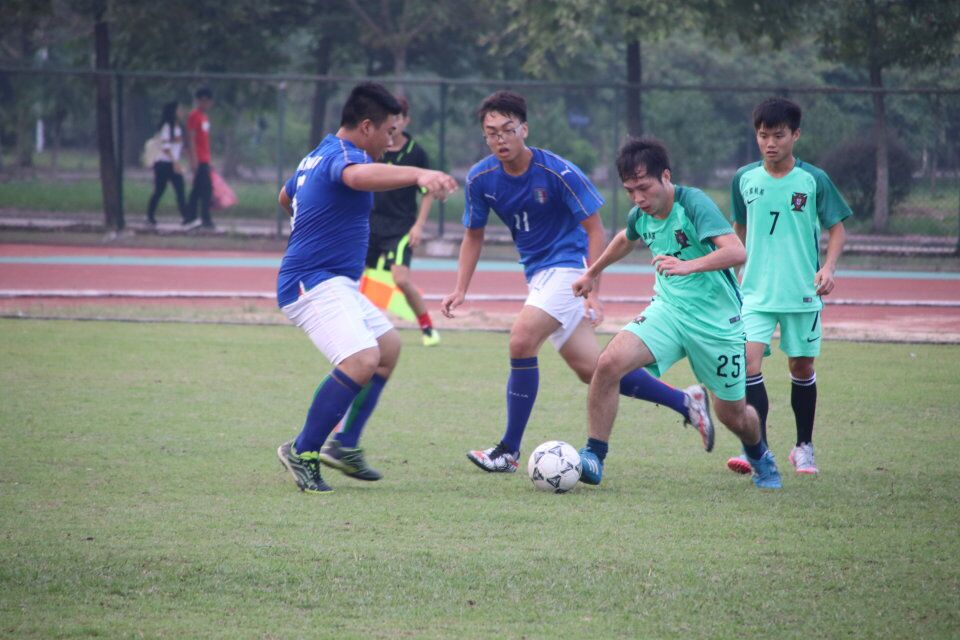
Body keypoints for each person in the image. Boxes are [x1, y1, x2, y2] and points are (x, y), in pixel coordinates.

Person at [441, 91, 713, 474]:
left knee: (521, 340)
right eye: (491, 132)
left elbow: (595, 229)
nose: (500, 138)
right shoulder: (480, 178)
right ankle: (685, 402)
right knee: (594, 370)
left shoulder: (558, 172)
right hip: (538, 275)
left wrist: (593, 292)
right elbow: (473, 235)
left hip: (570, 269)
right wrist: (460, 288)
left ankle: (507, 451)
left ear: (524, 129)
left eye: (507, 129)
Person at [275, 82, 457, 493]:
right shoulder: (345, 156)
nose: (392, 142)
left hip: (333, 282)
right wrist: (419, 174)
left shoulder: (318, 154)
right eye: (389, 132)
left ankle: (344, 444)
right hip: (312, 281)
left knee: (387, 349)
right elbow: (356, 178)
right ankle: (303, 450)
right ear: (367, 127)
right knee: (361, 359)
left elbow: (285, 196)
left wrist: (311, 220)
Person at [572, 137, 782, 490]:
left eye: (644, 187)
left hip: (717, 324)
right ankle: (594, 455)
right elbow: (626, 237)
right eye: (630, 190)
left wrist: (689, 266)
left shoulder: (693, 203)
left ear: (666, 176)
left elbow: (736, 252)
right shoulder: (642, 214)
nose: (638, 198)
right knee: (608, 364)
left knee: (732, 416)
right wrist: (592, 272)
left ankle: (759, 454)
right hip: (668, 312)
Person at [725, 97, 851, 477]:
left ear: (795, 135)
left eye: (778, 135)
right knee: (748, 362)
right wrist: (728, 271)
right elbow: (738, 230)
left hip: (801, 292)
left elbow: (837, 228)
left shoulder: (813, 179)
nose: (770, 143)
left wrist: (828, 267)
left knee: (801, 365)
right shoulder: (744, 179)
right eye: (763, 135)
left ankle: (803, 447)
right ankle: (758, 451)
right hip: (755, 293)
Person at [367, 96, 440, 346]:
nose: (394, 123)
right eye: (390, 117)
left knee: (400, 279)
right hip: (369, 225)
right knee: (352, 277)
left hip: (400, 228)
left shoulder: (416, 153)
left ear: (406, 120)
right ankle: (359, 326)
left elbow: (428, 192)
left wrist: (418, 226)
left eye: (398, 117)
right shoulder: (372, 149)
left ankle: (428, 328)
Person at [145, 101, 188, 227]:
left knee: (180, 190)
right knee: (159, 190)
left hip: (173, 163)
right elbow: (166, 148)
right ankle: (149, 216)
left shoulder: (178, 128)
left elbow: (177, 147)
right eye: (179, 110)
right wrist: (175, 163)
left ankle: (186, 217)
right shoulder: (167, 127)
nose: (181, 112)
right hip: (164, 164)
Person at [185, 86, 215, 230]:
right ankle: (204, 219)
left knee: (198, 189)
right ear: (197, 101)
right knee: (205, 189)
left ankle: (190, 217)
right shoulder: (194, 116)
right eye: (202, 101)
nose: (204, 104)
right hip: (199, 160)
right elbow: (191, 139)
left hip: (205, 159)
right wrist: (193, 160)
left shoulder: (205, 117)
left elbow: (205, 140)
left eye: (207, 101)